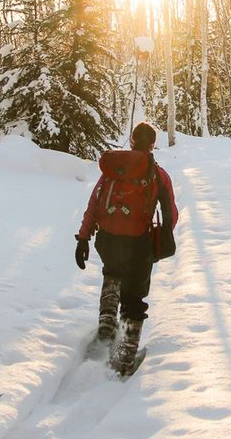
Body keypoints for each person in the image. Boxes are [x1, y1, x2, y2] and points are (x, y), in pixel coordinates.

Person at [75, 121, 178, 373]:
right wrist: (160, 240)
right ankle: (123, 359)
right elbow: (170, 214)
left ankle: (106, 326)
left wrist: (83, 238)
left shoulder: (112, 168)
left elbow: (94, 202)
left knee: (112, 274)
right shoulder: (157, 174)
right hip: (138, 242)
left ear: (131, 141)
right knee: (134, 298)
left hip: (107, 239)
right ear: (152, 145)